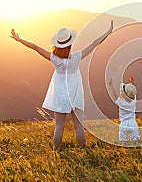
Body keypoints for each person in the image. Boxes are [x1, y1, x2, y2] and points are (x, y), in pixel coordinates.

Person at [10, 21, 113, 150]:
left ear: (58, 45)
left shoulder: (54, 58)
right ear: (70, 44)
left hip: (60, 94)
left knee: (59, 126)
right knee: (79, 126)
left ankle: (56, 151)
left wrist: (19, 40)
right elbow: (94, 43)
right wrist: (107, 32)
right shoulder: (76, 57)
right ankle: (83, 150)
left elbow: (35, 47)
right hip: (75, 93)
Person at [108, 74, 140, 143]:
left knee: (124, 142)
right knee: (136, 142)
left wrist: (111, 86)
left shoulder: (121, 102)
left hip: (123, 124)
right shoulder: (133, 101)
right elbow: (133, 92)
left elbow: (114, 95)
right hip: (133, 123)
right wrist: (133, 82)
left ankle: (125, 150)